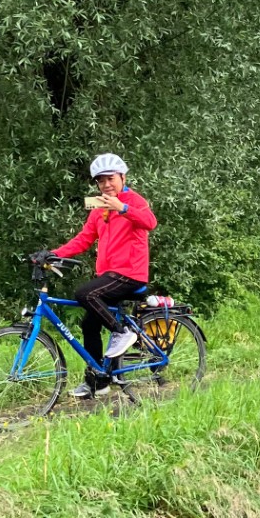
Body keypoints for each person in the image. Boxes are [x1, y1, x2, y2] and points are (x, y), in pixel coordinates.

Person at [46, 153, 158, 397]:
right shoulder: (98, 207)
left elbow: (150, 222)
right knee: (89, 324)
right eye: (101, 181)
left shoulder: (134, 200)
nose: (106, 185)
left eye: (111, 179)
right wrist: (53, 254)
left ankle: (122, 333)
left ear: (122, 177)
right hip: (110, 275)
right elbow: (84, 238)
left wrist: (123, 208)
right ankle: (98, 380)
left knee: (84, 293)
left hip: (130, 274)